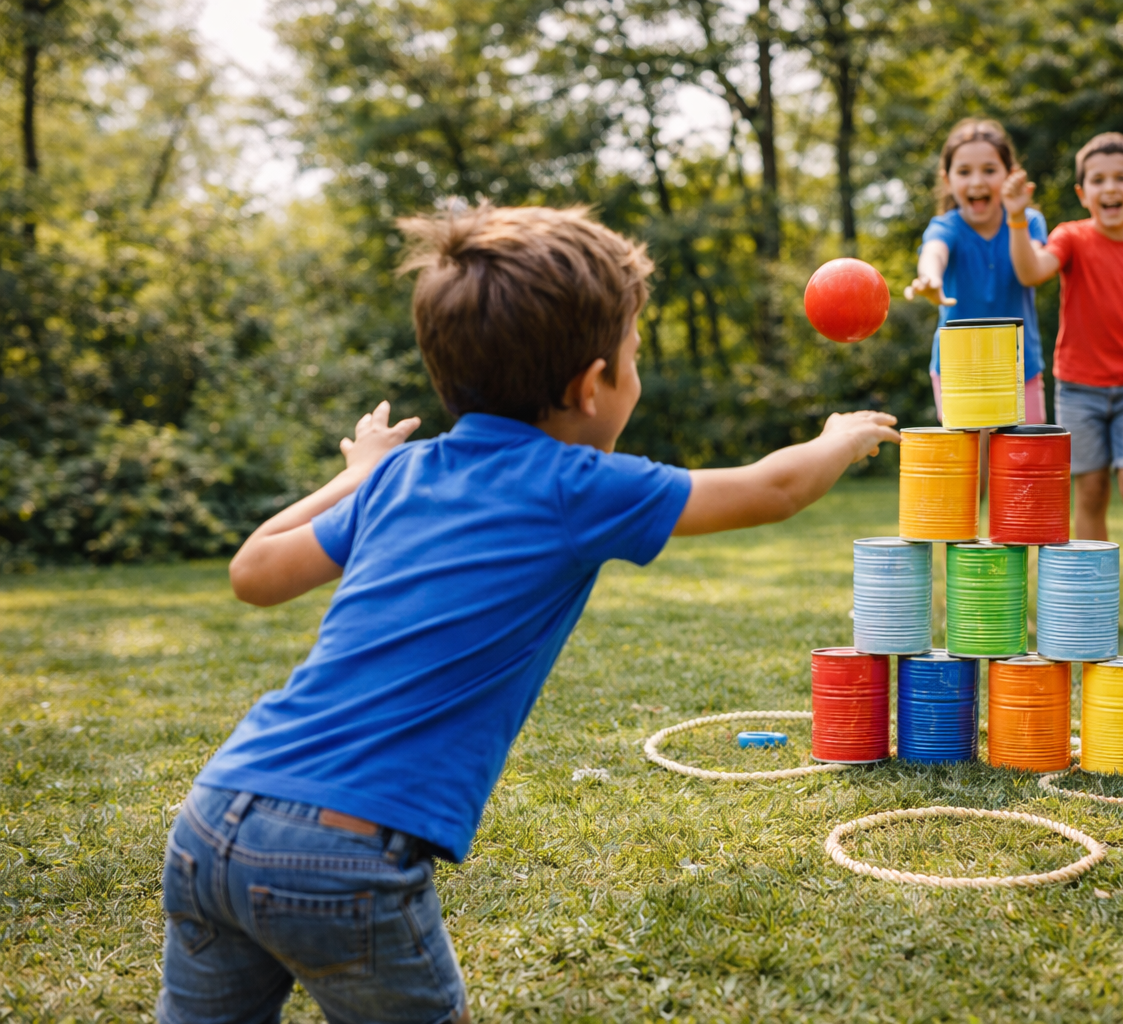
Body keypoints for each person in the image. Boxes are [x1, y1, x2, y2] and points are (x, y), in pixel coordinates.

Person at [156, 204, 900, 1022]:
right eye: (634, 358)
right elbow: (773, 488)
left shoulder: (399, 478)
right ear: (590, 386)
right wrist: (838, 438)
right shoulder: (573, 486)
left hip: (215, 814)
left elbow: (253, 571)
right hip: (345, 852)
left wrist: (359, 474)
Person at [1007, 133, 1123, 636]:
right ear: (1082, 193)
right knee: (1089, 492)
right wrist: (1018, 219)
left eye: (1122, 178)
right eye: (1099, 180)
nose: (1111, 188)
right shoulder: (1070, 237)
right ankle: (1092, 597)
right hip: (1079, 387)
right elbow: (1031, 271)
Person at [904, 118, 1050, 424]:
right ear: (947, 180)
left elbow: (1031, 272)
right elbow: (934, 252)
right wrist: (930, 278)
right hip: (958, 372)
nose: (977, 182)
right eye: (964, 172)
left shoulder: (1029, 221)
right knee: (969, 456)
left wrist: (1016, 217)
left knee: (1024, 454)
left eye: (989, 170)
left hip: (1020, 370)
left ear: (1010, 175)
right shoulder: (946, 226)